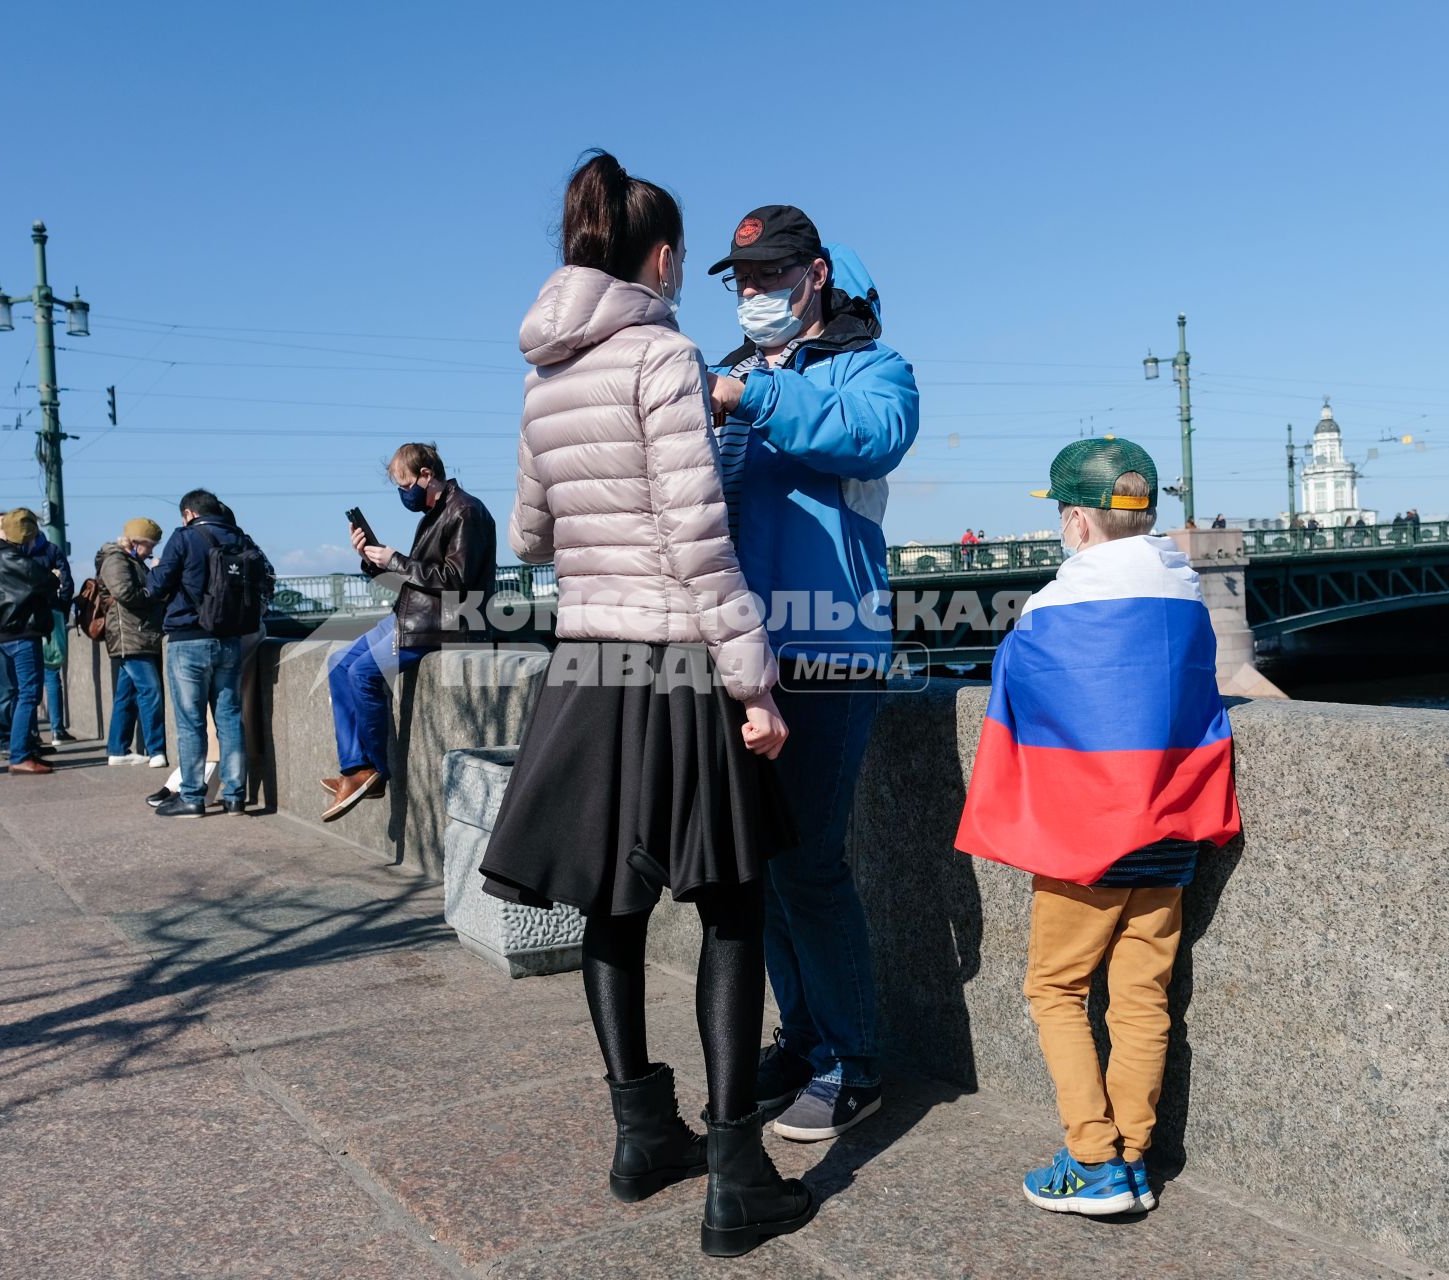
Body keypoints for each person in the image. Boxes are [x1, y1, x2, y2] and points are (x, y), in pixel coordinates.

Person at [479, 152, 808, 1259]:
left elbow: (531, 535)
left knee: (608, 908)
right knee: (729, 903)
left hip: (588, 660)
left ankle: (639, 1134)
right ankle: (735, 1168)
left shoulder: (544, 372)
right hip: (673, 658)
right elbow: (696, 538)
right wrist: (752, 681)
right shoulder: (662, 352)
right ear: (661, 254)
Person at [955, 437, 1240, 1217]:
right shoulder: (1186, 597)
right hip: (1171, 833)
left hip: (1088, 842)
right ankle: (1137, 1156)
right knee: (1144, 998)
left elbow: (1021, 695)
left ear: (1077, 520)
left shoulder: (1054, 609)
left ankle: (1092, 1157)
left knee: (1055, 988)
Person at [703, 203, 918, 1142]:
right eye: (742, 281)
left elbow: (867, 438)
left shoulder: (877, 369)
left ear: (817, 274)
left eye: (769, 277)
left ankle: (852, 1061)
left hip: (831, 648)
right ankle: (805, 1036)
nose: (753, 295)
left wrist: (749, 398)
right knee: (764, 864)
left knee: (812, 862)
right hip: (745, 650)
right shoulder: (738, 373)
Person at [321, 443, 497, 820]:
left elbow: (456, 581)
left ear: (426, 475)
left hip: (447, 623)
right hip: (416, 616)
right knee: (338, 663)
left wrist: (397, 560)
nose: (404, 494)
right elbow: (415, 578)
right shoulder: (433, 514)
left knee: (363, 673)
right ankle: (355, 770)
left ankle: (375, 773)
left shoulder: (465, 511)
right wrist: (371, 560)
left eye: (404, 484)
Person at [146, 489, 271, 816]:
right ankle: (235, 797)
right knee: (230, 720)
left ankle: (192, 798)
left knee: (191, 724)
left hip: (188, 639)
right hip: (230, 639)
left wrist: (156, 568)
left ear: (188, 513)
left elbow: (157, 586)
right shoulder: (239, 538)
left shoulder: (185, 537)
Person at [0, 510, 59, 776]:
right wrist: (54, 575)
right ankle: (20, 755)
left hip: (3, 636)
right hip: (22, 634)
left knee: (16, 693)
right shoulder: (14, 558)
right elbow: (47, 581)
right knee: (29, 694)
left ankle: (21, 750)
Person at [96, 518, 169, 767]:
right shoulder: (116, 560)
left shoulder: (130, 561)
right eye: (149, 545)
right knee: (151, 690)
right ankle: (156, 750)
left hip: (136, 635)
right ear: (136, 542)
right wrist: (155, 589)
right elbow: (126, 593)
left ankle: (118, 749)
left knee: (126, 696)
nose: (151, 551)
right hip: (130, 636)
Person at [27, 525, 76, 744]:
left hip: (25, 618)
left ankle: (32, 732)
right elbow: (66, 584)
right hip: (52, 612)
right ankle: (57, 730)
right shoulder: (51, 550)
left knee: (28, 677)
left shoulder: (14, 552)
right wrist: (62, 610)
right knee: (52, 672)